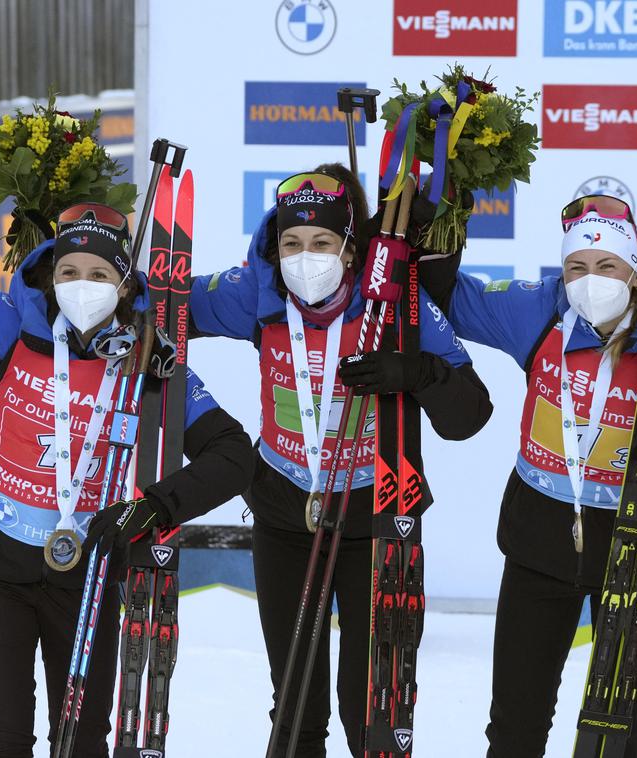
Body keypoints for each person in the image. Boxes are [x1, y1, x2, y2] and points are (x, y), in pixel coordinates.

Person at [0, 154, 254, 757]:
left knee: (80, 744)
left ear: (126, 285)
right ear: (49, 275)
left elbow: (234, 455)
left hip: (86, 577)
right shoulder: (11, 325)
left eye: (100, 275)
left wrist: (152, 509)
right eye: (69, 271)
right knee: (0, 742)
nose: (83, 286)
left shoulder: (150, 366)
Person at [187, 164, 493, 756]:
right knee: (295, 703)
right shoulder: (259, 291)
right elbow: (166, 308)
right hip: (283, 513)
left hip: (373, 521)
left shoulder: (397, 303)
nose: (306, 257)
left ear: (351, 251)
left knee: (371, 706)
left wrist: (418, 373)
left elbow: (470, 416)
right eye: (292, 243)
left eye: (322, 243)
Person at [419, 195, 637, 757]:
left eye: (607, 266)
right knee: (515, 724)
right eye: (576, 266)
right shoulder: (541, 310)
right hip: (539, 540)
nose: (590, 280)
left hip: (634, 545)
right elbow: (449, 301)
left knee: (622, 728)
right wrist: (436, 230)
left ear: (635, 273)